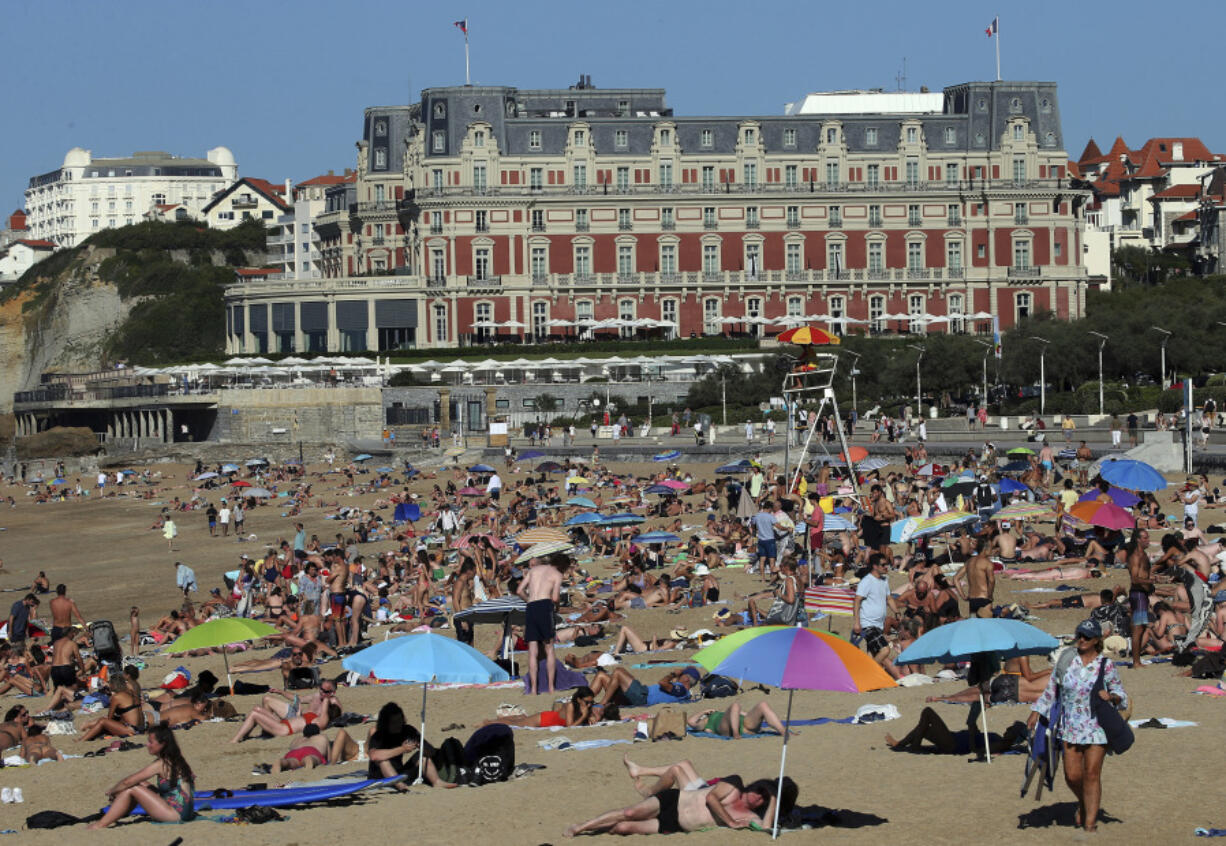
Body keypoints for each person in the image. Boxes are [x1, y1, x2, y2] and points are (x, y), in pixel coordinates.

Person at [1027, 619, 1129, 834]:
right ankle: (1084, 802)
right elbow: (1052, 689)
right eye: (1079, 635)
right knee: (1072, 775)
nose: (1081, 639)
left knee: (1092, 774)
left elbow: (1122, 695)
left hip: (1097, 726)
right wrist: (1036, 711)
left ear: (1096, 641)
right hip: (1070, 725)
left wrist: (1111, 696)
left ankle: (1090, 823)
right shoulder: (1066, 660)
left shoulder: (1105, 665)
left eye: (1086, 637)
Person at [564, 772, 791, 837]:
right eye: (759, 791)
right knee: (630, 812)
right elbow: (711, 799)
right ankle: (582, 826)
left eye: (763, 798)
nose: (757, 798)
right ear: (753, 785)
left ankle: (597, 829)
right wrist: (730, 821)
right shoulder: (735, 784)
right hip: (674, 801)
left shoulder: (749, 817)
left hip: (676, 825)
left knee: (623, 828)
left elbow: (764, 829)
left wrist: (774, 799)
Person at [86, 725, 195, 829]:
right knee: (141, 784)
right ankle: (119, 813)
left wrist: (112, 792)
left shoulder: (161, 764)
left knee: (133, 788)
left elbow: (127, 782)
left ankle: (100, 824)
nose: (147, 744)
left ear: (163, 744)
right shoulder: (177, 759)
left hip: (176, 815)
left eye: (150, 742)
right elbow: (137, 780)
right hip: (187, 812)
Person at [366, 702, 455, 788]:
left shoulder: (408, 730)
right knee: (383, 760)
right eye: (394, 722)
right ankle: (400, 785)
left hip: (399, 772)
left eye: (400, 721)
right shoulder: (379, 735)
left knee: (421, 756)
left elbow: (431, 751)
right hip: (379, 778)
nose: (398, 725)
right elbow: (374, 756)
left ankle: (436, 782)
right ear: (386, 723)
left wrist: (422, 746)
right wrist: (402, 749)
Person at [517, 552, 567, 695]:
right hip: (545, 606)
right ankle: (551, 687)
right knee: (549, 648)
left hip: (531, 607)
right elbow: (556, 597)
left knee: (532, 650)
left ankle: (533, 689)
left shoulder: (533, 570)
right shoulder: (557, 574)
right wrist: (556, 608)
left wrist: (529, 600)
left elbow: (519, 590)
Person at [886, 707, 1027, 755]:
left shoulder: (1001, 745)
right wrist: (974, 729)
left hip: (954, 744)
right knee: (924, 728)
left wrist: (972, 733)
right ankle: (900, 744)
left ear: (1015, 736)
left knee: (928, 712)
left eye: (1011, 729)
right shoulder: (997, 737)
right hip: (954, 738)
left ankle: (913, 747)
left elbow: (976, 750)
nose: (1008, 728)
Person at [854, 554, 900, 678]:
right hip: (868, 624)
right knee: (885, 650)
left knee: (871, 654)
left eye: (887, 564)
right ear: (875, 566)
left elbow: (889, 598)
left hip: (878, 624)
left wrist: (897, 612)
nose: (886, 567)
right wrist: (857, 623)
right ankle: (867, 675)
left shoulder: (884, 580)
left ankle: (868, 682)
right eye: (883, 565)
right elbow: (857, 601)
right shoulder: (867, 581)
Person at [686, 700, 789, 738]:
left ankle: (783, 731)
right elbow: (690, 722)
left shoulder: (724, 713)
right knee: (735, 705)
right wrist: (704, 711)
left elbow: (747, 714)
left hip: (746, 725)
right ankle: (736, 733)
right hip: (727, 728)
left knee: (763, 705)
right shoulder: (706, 723)